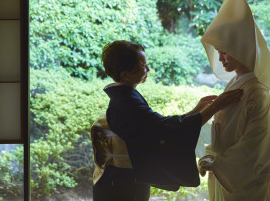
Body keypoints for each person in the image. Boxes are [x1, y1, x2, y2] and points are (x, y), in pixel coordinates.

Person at [91, 40, 243, 201]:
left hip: (122, 178)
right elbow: (165, 130)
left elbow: (157, 124)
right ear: (125, 75)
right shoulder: (127, 102)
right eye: (143, 64)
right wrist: (215, 107)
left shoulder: (124, 97)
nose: (148, 69)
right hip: (121, 183)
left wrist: (195, 111)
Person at [198, 0, 270, 201]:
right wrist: (211, 154)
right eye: (219, 52)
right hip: (226, 176)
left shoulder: (258, 91)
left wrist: (220, 164)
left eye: (225, 52)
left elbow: (257, 144)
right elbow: (221, 131)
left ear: (241, 48)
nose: (220, 59)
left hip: (244, 184)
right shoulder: (235, 83)